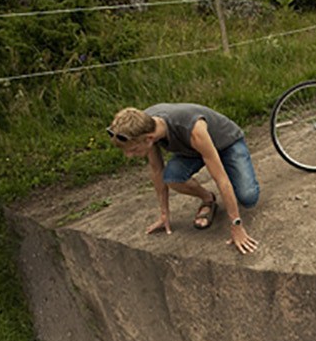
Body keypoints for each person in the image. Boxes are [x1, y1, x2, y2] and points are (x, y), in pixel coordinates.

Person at [108, 103, 259, 255]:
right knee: (172, 177)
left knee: (248, 197)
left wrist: (236, 226)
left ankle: (235, 168)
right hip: (192, 151)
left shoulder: (192, 128)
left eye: (133, 150)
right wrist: (164, 214)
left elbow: (221, 179)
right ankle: (208, 199)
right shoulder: (144, 126)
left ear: (149, 139)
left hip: (227, 143)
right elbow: (157, 170)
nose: (129, 155)